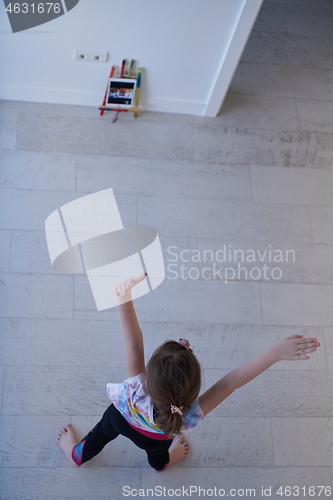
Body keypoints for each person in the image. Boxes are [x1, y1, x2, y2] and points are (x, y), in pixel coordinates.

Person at [56, 273, 320, 471]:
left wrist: (123, 299)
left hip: (118, 420)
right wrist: (274, 354)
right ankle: (163, 464)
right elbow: (230, 383)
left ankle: (77, 454)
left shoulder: (135, 385)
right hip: (156, 440)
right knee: (158, 457)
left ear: (148, 371)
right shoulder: (184, 417)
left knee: (101, 434)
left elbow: (133, 341)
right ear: (192, 389)